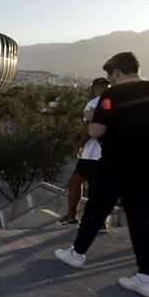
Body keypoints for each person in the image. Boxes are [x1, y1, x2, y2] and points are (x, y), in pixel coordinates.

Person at [55, 52, 149, 297]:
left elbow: (97, 131)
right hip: (148, 168)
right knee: (141, 222)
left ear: (117, 72)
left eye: (112, 76)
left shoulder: (112, 95)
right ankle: (146, 278)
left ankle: (77, 254)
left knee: (95, 211)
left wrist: (89, 119)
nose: (112, 81)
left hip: (116, 165)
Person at [59, 77, 110, 226]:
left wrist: (80, 145)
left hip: (92, 154)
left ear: (94, 88)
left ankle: (72, 217)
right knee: (99, 188)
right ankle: (99, 222)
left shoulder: (94, 104)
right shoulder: (119, 104)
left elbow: (88, 129)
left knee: (76, 183)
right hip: (110, 154)